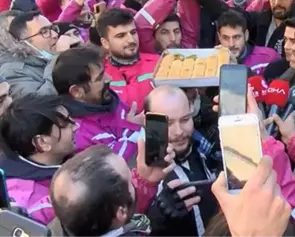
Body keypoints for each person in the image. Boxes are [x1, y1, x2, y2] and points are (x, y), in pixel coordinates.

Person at [48, 143, 177, 237]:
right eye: (131, 181)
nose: (135, 176)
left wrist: (146, 182)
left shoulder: (69, 218)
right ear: (120, 213)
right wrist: (158, 223)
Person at [145, 85, 221, 237]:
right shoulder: (143, 172)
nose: (179, 131)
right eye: (169, 123)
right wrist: (157, 220)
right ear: (149, 123)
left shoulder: (204, 146)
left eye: (185, 119)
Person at [52, 45, 143, 161]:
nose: (109, 78)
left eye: (104, 72)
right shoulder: (78, 133)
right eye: (100, 78)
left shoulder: (107, 99)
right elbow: (116, 162)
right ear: (77, 91)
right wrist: (132, 127)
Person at [0, 94, 78, 225]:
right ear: (42, 142)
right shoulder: (28, 204)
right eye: (65, 124)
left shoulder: (66, 154)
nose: (76, 126)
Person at [0, 11, 76, 98]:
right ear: (23, 42)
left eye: (52, 28)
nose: (55, 35)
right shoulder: (12, 71)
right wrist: (60, 59)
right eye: (44, 31)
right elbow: (39, 103)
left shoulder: (51, 55)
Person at [97, 9, 159, 108]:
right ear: (105, 43)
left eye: (133, 32)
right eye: (121, 36)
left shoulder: (159, 63)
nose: (131, 40)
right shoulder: (98, 74)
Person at [216, 10, 279, 75]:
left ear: (246, 35)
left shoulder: (268, 58)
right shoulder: (209, 61)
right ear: (219, 37)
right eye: (226, 38)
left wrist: (236, 69)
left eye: (236, 37)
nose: (231, 44)